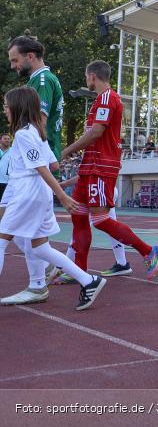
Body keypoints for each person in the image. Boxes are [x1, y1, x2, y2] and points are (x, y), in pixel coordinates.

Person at [0, 87, 106, 310]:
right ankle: (89, 281)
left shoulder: (22, 134)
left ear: (18, 107)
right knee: (40, 247)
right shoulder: (37, 133)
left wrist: (62, 195)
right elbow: (54, 164)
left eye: (7, 105)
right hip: (37, 193)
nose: (4, 109)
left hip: (28, 192)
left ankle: (42, 284)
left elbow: (41, 167)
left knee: (1, 240)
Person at [57, 61, 158, 280]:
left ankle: (147, 250)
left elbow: (95, 133)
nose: (86, 81)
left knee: (100, 220)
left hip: (101, 168)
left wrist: (65, 152)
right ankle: (80, 273)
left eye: (86, 77)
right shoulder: (100, 101)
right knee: (79, 218)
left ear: (92, 76)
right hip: (90, 167)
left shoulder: (107, 98)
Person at [6, 35, 65, 304]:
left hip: (33, 170)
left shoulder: (40, 81)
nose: (12, 66)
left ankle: (40, 280)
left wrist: (21, 144)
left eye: (15, 59)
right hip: (34, 166)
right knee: (21, 231)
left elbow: (36, 125)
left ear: (30, 56)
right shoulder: (40, 81)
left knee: (19, 232)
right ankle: (42, 276)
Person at [0, 134, 10, 201]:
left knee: (6, 203)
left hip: (8, 182)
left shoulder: (14, 151)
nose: (7, 140)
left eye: (8, 139)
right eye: (5, 138)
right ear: (0, 140)